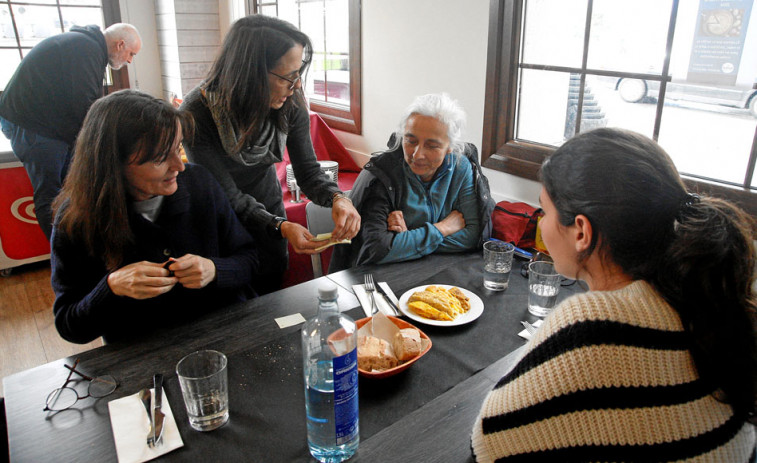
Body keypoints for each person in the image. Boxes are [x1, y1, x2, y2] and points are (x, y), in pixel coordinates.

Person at [471, 128, 756, 461]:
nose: (541, 224)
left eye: (544, 211)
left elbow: (487, 444)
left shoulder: (592, 324)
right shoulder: (703, 300)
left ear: (581, 231)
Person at [51, 90, 259, 344]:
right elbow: (69, 325)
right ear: (113, 163)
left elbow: (249, 259)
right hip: (144, 354)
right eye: (161, 158)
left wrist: (215, 269)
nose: (178, 166)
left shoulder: (198, 183)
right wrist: (112, 287)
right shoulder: (77, 218)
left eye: (178, 148)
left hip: (220, 336)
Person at [180, 15, 360, 294]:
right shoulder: (197, 113)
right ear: (249, 72)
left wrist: (337, 198)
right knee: (231, 303)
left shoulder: (290, 101)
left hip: (269, 207)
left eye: (298, 74)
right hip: (221, 221)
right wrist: (281, 225)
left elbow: (309, 173)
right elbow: (230, 197)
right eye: (288, 77)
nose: (297, 85)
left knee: (272, 287)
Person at [0, 23, 141, 240]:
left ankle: (77, 246)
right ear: (120, 44)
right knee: (51, 193)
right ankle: (63, 256)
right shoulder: (85, 49)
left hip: (48, 124)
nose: (130, 60)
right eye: (131, 53)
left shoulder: (88, 48)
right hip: (32, 126)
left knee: (71, 188)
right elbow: (85, 106)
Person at [330, 93, 494, 271]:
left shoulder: (461, 168)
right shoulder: (382, 176)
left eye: (432, 146)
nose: (417, 154)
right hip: (376, 279)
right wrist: (442, 228)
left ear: (449, 148)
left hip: (433, 273)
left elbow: (474, 236)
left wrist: (409, 238)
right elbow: (377, 249)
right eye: (410, 140)